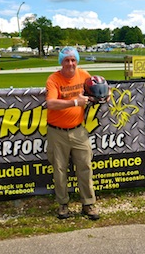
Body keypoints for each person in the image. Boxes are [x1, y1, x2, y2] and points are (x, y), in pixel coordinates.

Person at [45, 46, 99, 220]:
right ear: (61, 62)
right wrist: (75, 102)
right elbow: (51, 103)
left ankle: (88, 204)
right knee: (59, 170)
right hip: (57, 132)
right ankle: (63, 204)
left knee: (85, 167)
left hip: (78, 130)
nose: (71, 64)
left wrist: (105, 95)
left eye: (73, 60)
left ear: (77, 61)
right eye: (67, 60)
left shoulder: (83, 74)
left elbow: (98, 88)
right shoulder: (53, 79)